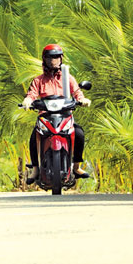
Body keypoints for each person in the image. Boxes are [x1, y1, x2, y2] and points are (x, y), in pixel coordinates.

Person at [23, 44, 91, 180]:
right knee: (33, 136)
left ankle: (76, 167)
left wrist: (83, 99)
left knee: (79, 133)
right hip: (45, 117)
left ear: (61, 59)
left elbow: (77, 92)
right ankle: (35, 170)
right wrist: (27, 101)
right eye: (50, 57)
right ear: (44, 59)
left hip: (65, 116)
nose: (53, 60)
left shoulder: (68, 78)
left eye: (56, 57)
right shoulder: (39, 80)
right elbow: (31, 94)